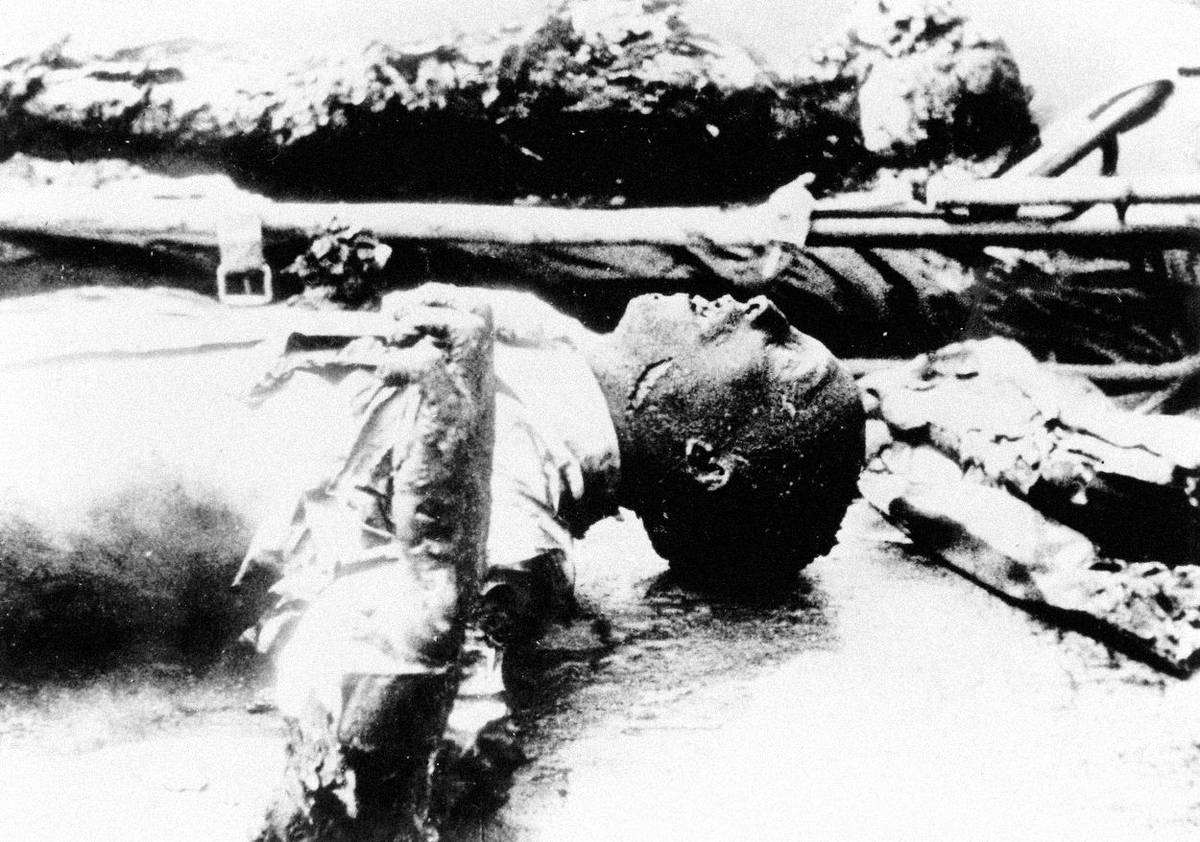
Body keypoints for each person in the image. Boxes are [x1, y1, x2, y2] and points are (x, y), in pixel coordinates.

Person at [235, 282, 865, 840]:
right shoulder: (552, 347)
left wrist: (436, 597)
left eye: (786, 358)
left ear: (704, 462)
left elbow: (372, 757)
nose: (766, 309)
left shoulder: (507, 499)